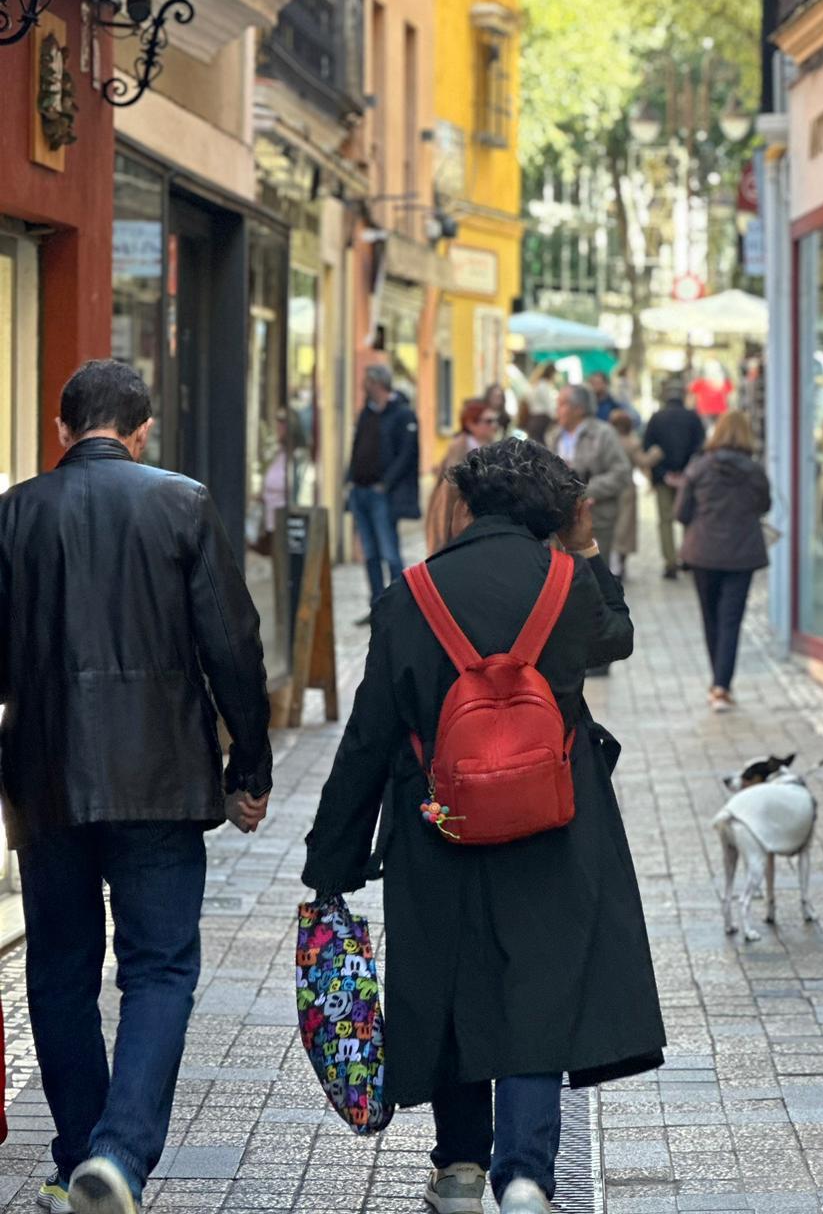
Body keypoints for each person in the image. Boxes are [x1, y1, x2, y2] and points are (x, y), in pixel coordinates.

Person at [302, 440, 665, 1214]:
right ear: (553, 510)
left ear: (466, 502)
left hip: (436, 819)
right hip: (553, 818)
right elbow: (618, 636)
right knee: (539, 984)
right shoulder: (566, 584)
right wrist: (586, 549)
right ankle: (526, 1172)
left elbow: (369, 734)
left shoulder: (412, 593)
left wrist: (333, 857)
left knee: (450, 985)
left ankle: (461, 1168)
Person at [0, 360, 272, 1214]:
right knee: (158, 968)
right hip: (159, 775)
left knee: (60, 970)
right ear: (143, 431)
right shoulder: (182, 503)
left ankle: (79, 1155)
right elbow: (232, 644)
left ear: (62, 428)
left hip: (46, 774)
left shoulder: (16, 513)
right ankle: (117, 1156)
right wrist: (250, 765)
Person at [674, 411, 771, 713]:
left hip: (703, 552)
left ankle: (717, 681)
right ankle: (721, 686)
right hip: (742, 553)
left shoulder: (699, 468)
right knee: (731, 620)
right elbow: (765, 505)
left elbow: (681, 512)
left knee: (710, 617)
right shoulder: (755, 471)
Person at [347, 365, 421, 615]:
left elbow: (406, 454)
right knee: (370, 553)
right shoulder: (366, 413)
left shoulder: (402, 414)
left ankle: (398, 608)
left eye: (367, 380)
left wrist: (385, 484)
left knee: (390, 552)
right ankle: (377, 606)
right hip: (360, 491)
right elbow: (357, 447)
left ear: (377, 383)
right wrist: (350, 479)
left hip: (383, 495)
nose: (363, 385)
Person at [551, 385, 632, 571]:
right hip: (560, 522)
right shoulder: (554, 435)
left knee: (594, 574)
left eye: (562, 404)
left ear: (579, 409)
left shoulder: (603, 434)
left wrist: (585, 490)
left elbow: (621, 473)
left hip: (597, 520)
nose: (557, 409)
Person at [642, 380, 706, 579]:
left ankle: (670, 562)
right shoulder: (693, 417)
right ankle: (687, 557)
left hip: (663, 479)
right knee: (688, 518)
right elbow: (701, 448)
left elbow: (648, 447)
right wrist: (686, 472)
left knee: (665, 521)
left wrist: (663, 473)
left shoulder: (656, 418)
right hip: (689, 478)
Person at [426, 399, 501, 555]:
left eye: (495, 420)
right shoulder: (459, 446)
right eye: (488, 421)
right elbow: (451, 489)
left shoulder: (494, 447)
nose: (494, 425)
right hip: (457, 516)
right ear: (471, 424)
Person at [609, 409, 644, 575]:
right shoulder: (632, 442)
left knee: (610, 524)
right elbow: (643, 461)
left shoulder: (607, 441)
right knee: (625, 527)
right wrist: (657, 453)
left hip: (609, 487)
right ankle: (621, 563)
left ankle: (609, 560)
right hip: (627, 488)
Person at [688, 359, 733, 425]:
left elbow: (691, 389)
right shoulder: (723, 382)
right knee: (719, 428)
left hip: (705, 411)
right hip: (719, 410)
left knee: (706, 428)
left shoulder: (700, 382)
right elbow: (730, 390)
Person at [524, 363, 558, 446]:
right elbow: (549, 406)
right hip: (543, 420)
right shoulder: (544, 386)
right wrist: (556, 418)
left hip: (533, 419)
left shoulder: (535, 385)